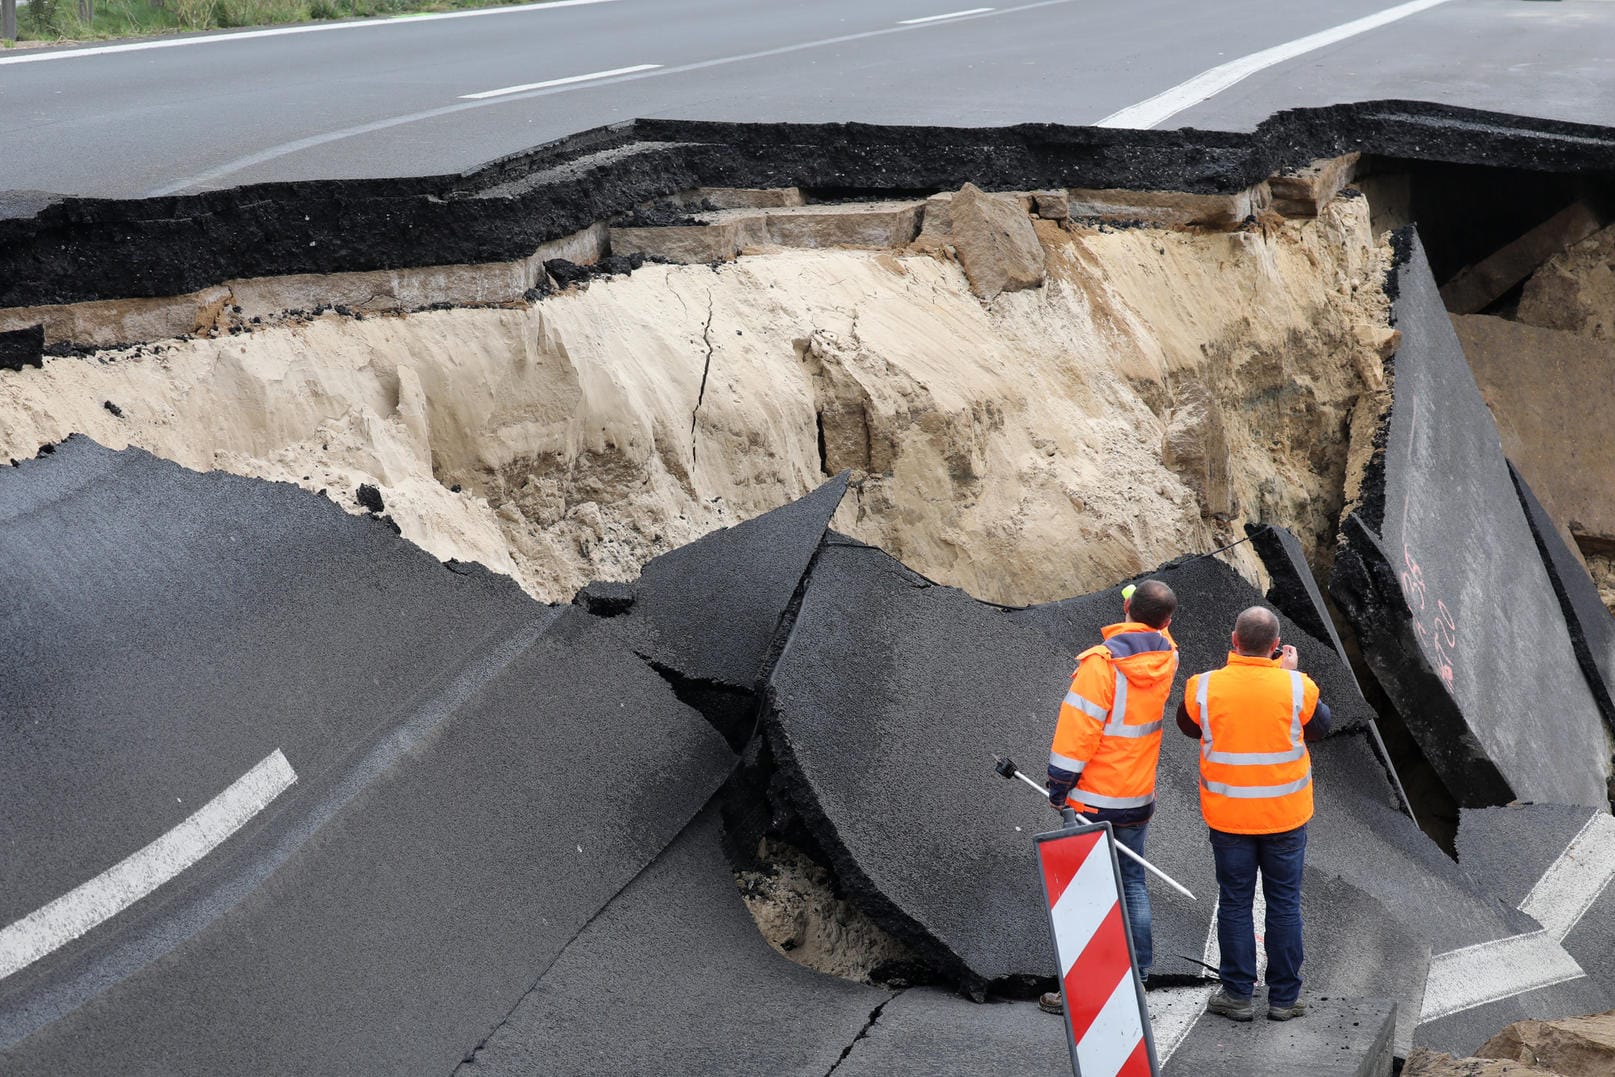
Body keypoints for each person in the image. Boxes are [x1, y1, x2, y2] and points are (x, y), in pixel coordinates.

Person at [1177, 606, 1332, 1023]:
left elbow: (1189, 727)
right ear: (1276, 646)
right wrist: (1289, 673)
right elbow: (1319, 728)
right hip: (1284, 817)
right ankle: (1284, 999)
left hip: (1229, 818)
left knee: (1235, 903)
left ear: (1234, 640)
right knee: (1284, 904)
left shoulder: (1204, 687)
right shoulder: (1298, 687)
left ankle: (1238, 995)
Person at [1040, 579, 1179, 1016]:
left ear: (1126, 612)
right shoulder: (1166, 657)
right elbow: (1158, 629)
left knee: (1086, 893)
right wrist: (1138, 614)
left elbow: (1077, 733)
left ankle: (1080, 992)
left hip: (1091, 800)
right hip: (1136, 797)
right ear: (1167, 621)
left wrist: (1058, 785)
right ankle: (1136, 979)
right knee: (1132, 885)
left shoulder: (1101, 665)